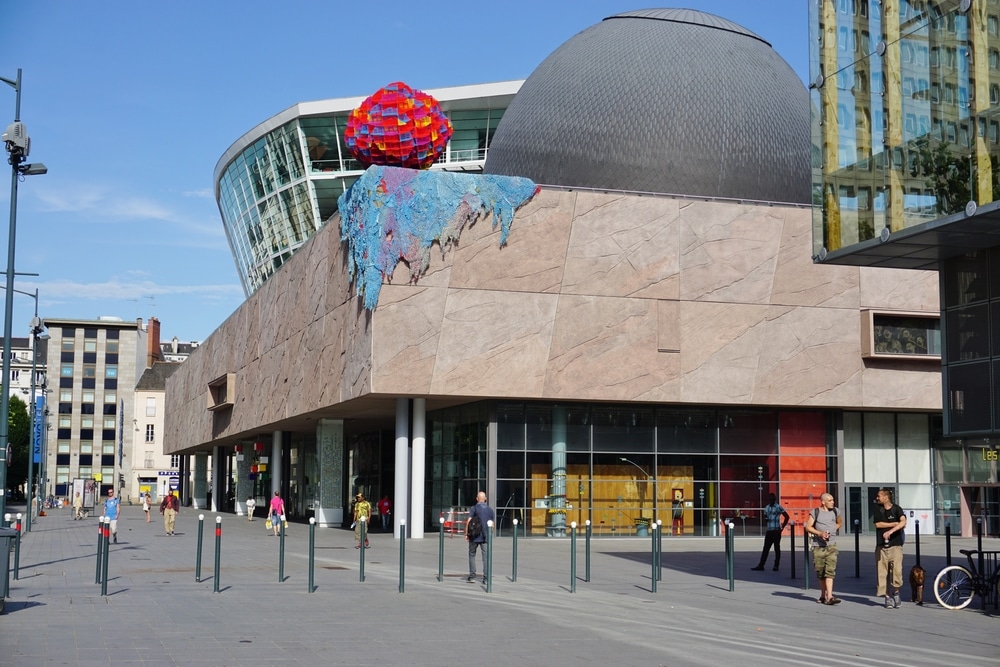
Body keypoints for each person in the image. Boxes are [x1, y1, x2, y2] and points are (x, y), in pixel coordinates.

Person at [805, 493, 843, 605]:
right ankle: (823, 595)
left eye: (833, 500)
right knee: (820, 572)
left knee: (830, 571)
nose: (833, 502)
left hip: (831, 546)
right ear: (823, 502)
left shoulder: (836, 511)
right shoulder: (815, 512)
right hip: (818, 547)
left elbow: (840, 522)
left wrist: (832, 530)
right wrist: (820, 533)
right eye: (830, 500)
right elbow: (808, 527)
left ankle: (830, 596)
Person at [873, 487, 906, 609]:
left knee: (897, 571)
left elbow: (903, 521)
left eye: (879, 496)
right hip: (881, 547)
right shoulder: (878, 508)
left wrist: (891, 531)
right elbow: (878, 524)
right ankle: (887, 597)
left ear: (886, 497)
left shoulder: (897, 509)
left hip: (896, 546)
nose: (877, 498)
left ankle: (896, 593)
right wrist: (894, 524)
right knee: (882, 573)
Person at [752, 493, 790, 571]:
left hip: (776, 530)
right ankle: (761, 565)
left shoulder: (778, 507)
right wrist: (765, 519)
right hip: (769, 531)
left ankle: (776, 565)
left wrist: (782, 527)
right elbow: (765, 516)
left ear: (774, 500)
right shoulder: (767, 507)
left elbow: (787, 516)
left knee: (777, 548)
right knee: (766, 548)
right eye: (770, 499)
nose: (771, 501)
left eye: (772, 499)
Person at [466, 491, 495, 584]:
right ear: (485, 499)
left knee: (472, 555)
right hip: (485, 537)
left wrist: (466, 534)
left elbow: (468, 521)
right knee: (486, 557)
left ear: (477, 499)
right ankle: (486, 578)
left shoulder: (473, 508)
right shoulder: (490, 510)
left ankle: (472, 576)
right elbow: (492, 525)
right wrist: (490, 534)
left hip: (474, 536)